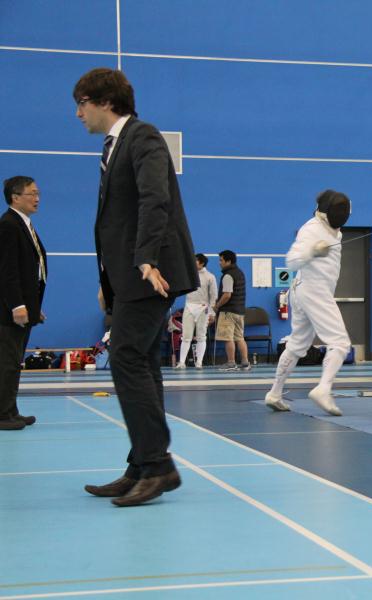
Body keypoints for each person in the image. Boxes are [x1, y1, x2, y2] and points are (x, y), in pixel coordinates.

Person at [74, 68, 199, 506]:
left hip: (152, 272)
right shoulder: (115, 146)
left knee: (125, 356)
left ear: (106, 102)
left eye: (82, 104)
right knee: (142, 362)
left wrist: (146, 259)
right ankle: (143, 465)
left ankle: (159, 466)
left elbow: (154, 199)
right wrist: (108, 280)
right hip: (130, 275)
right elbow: (118, 220)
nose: (78, 114)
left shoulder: (143, 137)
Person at [264, 190, 352, 416]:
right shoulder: (311, 229)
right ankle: (323, 389)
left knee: (297, 345)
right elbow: (291, 261)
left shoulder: (334, 230)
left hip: (306, 290)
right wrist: (312, 251)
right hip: (314, 290)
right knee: (340, 343)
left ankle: (275, 393)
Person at [0, 176, 47, 431]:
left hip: (24, 308)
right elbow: (7, 271)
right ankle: (2, 414)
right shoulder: (8, 225)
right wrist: (17, 305)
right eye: (31, 193)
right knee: (6, 363)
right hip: (8, 312)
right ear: (15, 197)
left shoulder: (24, 225)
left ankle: (10, 410)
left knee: (14, 362)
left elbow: (31, 272)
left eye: (38, 193)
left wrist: (33, 307)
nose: (37, 198)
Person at [175, 254, 217, 369]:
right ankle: (182, 362)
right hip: (189, 306)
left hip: (203, 308)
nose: (193, 262)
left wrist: (212, 313)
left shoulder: (210, 277)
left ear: (202, 263)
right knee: (186, 336)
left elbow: (213, 296)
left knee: (201, 336)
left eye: (196, 261)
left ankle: (199, 362)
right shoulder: (189, 275)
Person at [213, 250, 251, 371]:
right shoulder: (240, 273)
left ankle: (231, 363)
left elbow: (227, 295)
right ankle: (245, 363)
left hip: (228, 311)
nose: (219, 263)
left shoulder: (228, 275)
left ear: (228, 261)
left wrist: (217, 305)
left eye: (221, 260)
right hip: (240, 311)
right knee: (240, 337)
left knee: (228, 338)